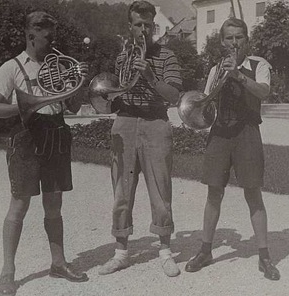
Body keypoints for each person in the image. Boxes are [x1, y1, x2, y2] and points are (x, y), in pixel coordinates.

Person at [0, 11, 89, 296]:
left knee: (54, 205)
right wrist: (23, 108)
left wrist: (79, 81)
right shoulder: (11, 67)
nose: (52, 41)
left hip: (56, 133)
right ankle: (8, 271)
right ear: (31, 35)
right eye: (47, 36)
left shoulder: (58, 65)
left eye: (52, 35)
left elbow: (72, 108)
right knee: (19, 206)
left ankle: (58, 263)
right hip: (26, 137)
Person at [184, 18, 280, 281]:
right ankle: (205, 251)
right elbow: (205, 102)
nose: (234, 42)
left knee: (253, 194)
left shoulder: (259, 65)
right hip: (220, 133)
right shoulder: (215, 68)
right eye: (229, 38)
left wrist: (237, 74)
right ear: (222, 41)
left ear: (246, 40)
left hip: (247, 132)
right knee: (213, 193)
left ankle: (264, 256)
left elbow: (263, 92)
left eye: (239, 37)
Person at [98, 1, 182, 277]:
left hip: (156, 121)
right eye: (138, 24)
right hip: (125, 121)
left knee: (161, 189)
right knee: (122, 190)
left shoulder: (167, 56)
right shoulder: (123, 56)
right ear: (130, 26)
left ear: (154, 26)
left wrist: (150, 75)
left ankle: (165, 251)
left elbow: (174, 96)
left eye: (148, 25)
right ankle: (121, 252)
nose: (143, 30)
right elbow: (118, 88)